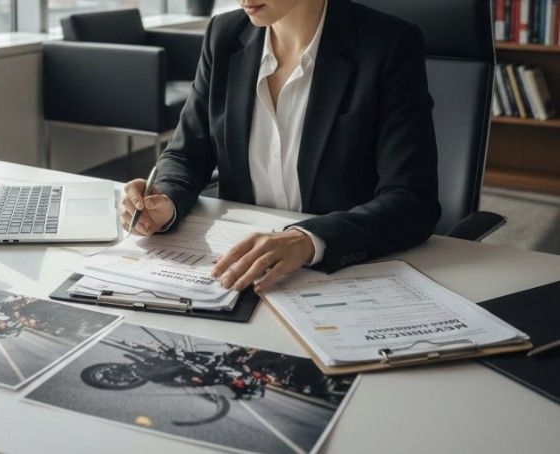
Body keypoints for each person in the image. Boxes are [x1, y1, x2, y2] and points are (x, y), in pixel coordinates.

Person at [118, 0, 440, 293]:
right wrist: (165, 199)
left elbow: (412, 200)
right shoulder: (224, 36)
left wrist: (307, 240)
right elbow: (186, 154)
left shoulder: (388, 46)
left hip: (343, 280)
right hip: (236, 279)